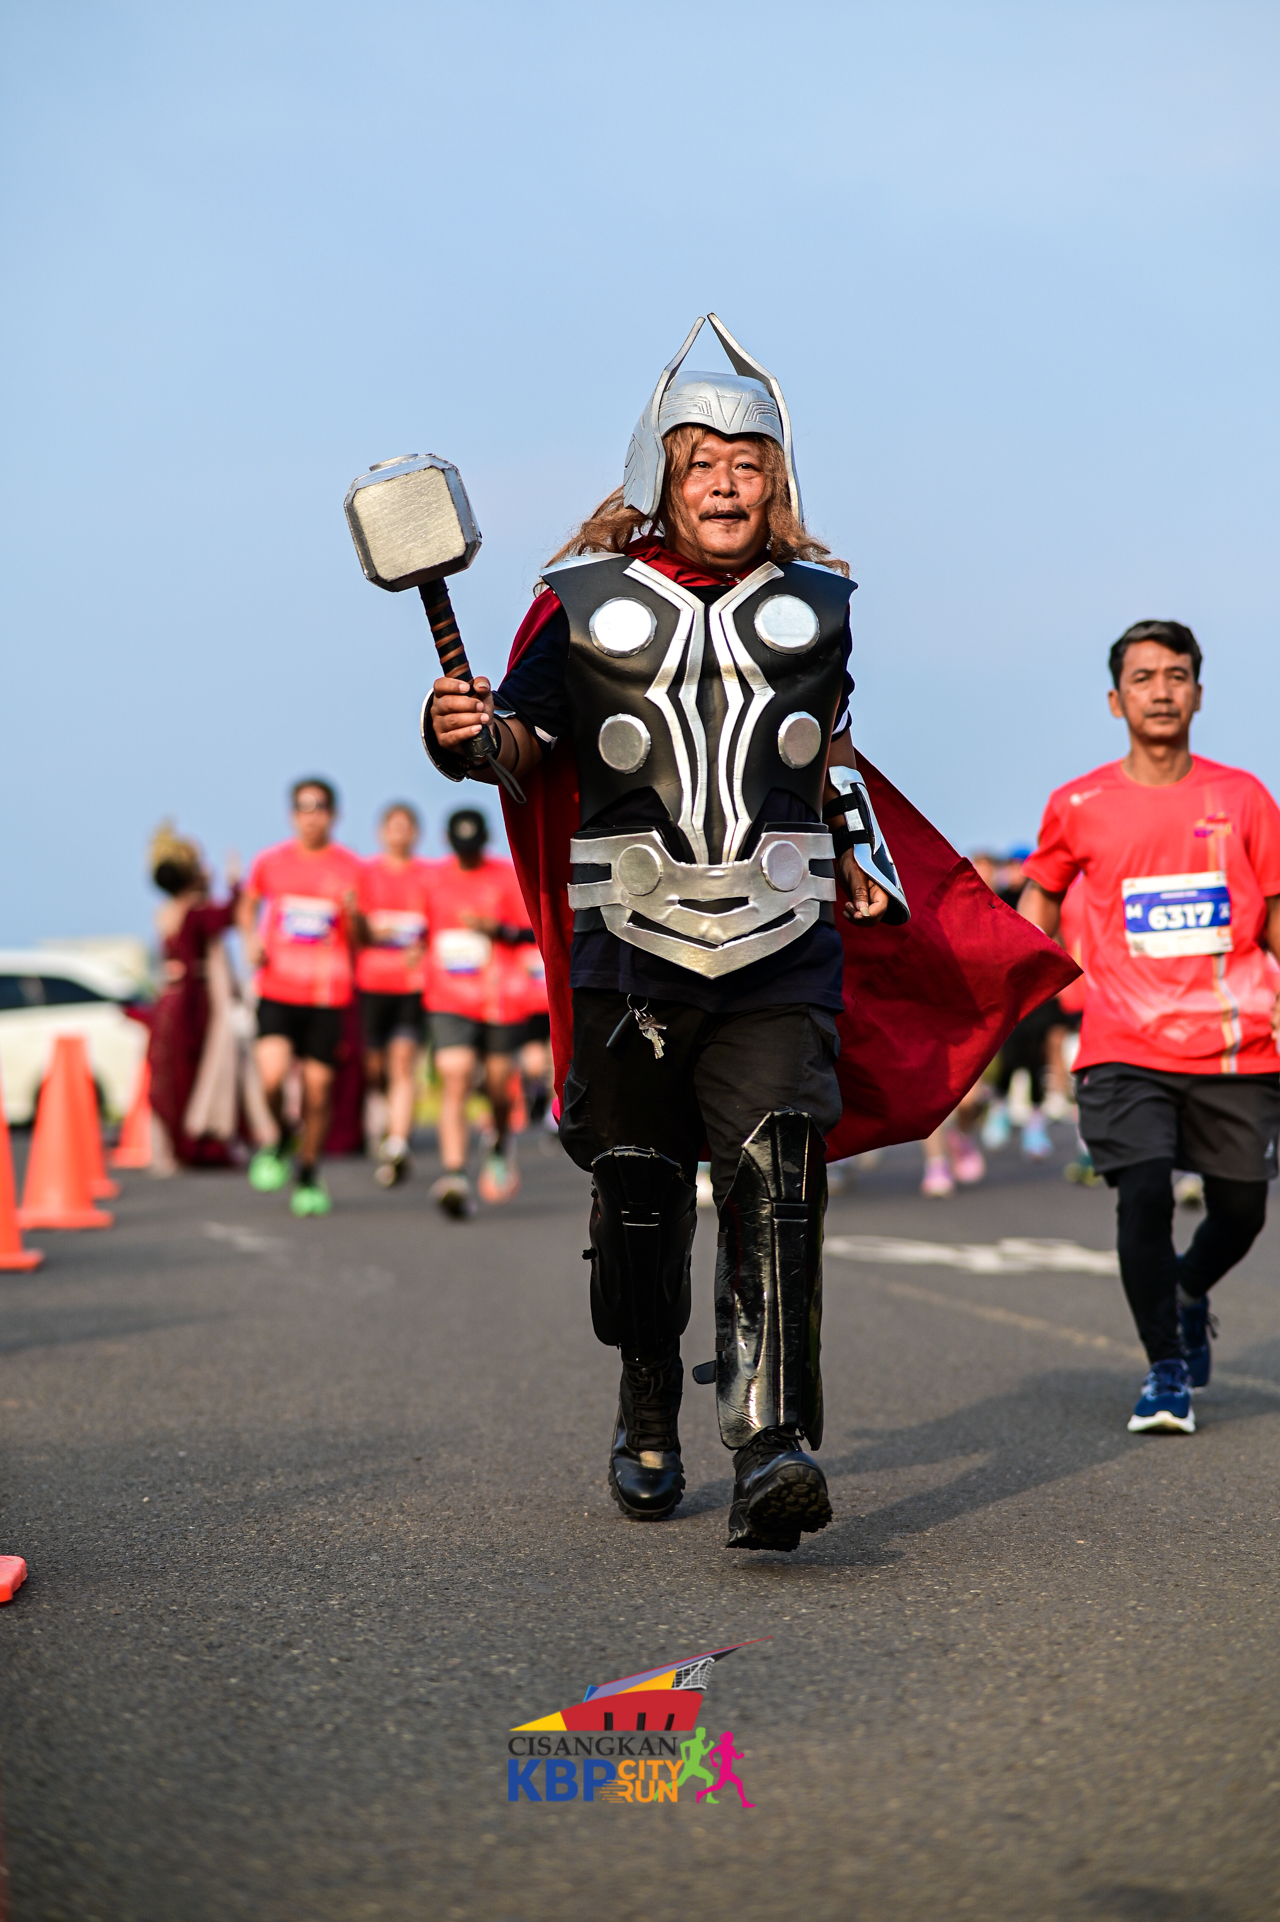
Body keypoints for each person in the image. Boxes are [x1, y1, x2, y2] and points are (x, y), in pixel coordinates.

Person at [422, 315, 1073, 1553]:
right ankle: (646, 1395)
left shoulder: (819, 607)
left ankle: (770, 1443)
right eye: (700, 462)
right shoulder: (578, 605)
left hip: (784, 940)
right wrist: (461, 731)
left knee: (777, 1181)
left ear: (777, 482)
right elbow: (519, 748)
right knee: (639, 1195)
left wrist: (861, 859)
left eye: (746, 463)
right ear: (658, 476)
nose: (724, 483)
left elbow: (823, 755)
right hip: (628, 945)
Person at [1020, 620, 1280, 1434]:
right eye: (1143, 677)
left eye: (1176, 676)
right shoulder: (1079, 804)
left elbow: (1274, 913)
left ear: (1198, 693)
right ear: (1115, 700)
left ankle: (1189, 1289)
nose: (1161, 691)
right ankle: (1166, 1370)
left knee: (1242, 1211)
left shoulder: (1244, 798)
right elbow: (1042, 894)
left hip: (1235, 1042)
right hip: (1123, 1040)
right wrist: (1024, 979)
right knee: (1143, 1193)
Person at [237, 778, 363, 1216]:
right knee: (270, 1079)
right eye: (304, 807)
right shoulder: (270, 861)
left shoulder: (351, 867)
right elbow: (247, 904)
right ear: (292, 815)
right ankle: (280, 1138)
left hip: (327, 995)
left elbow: (361, 939)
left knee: (318, 1092)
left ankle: (308, 1172)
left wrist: (355, 916)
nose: (312, 816)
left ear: (334, 814)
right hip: (277, 988)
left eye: (320, 807)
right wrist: (250, 939)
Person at [421, 808, 534, 1217]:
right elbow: (418, 930)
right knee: (457, 1076)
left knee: (500, 1085)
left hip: (501, 997)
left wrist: (498, 930)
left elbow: (533, 929)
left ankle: (501, 1140)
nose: (467, 855)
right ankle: (454, 1174)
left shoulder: (506, 876)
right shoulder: (432, 880)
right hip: (449, 997)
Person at [146, 822, 245, 1168]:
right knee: (193, 1071)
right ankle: (198, 1142)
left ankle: (177, 1144)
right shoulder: (194, 912)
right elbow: (229, 915)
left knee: (172, 1074)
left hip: (169, 1001)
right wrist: (234, 885)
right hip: (192, 1002)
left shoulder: (166, 912)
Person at [356, 801, 432, 1187]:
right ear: (381, 832)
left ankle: (398, 1142)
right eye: (393, 826)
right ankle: (384, 1123)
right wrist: (370, 930)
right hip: (370, 984)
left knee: (402, 1063)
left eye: (406, 826)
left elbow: (440, 925)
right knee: (374, 1069)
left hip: (412, 986)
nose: (400, 833)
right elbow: (352, 928)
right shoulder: (365, 874)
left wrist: (424, 948)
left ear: (416, 833)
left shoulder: (429, 877)